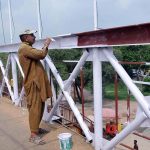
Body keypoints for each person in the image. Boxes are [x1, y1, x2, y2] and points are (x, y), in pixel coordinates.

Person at [18, 29, 53, 145]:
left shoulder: (27, 47)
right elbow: (41, 54)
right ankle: (33, 135)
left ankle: (36, 129)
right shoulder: (24, 48)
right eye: (32, 35)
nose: (34, 37)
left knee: (40, 106)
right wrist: (46, 44)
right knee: (35, 108)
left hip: (36, 83)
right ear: (26, 37)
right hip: (33, 84)